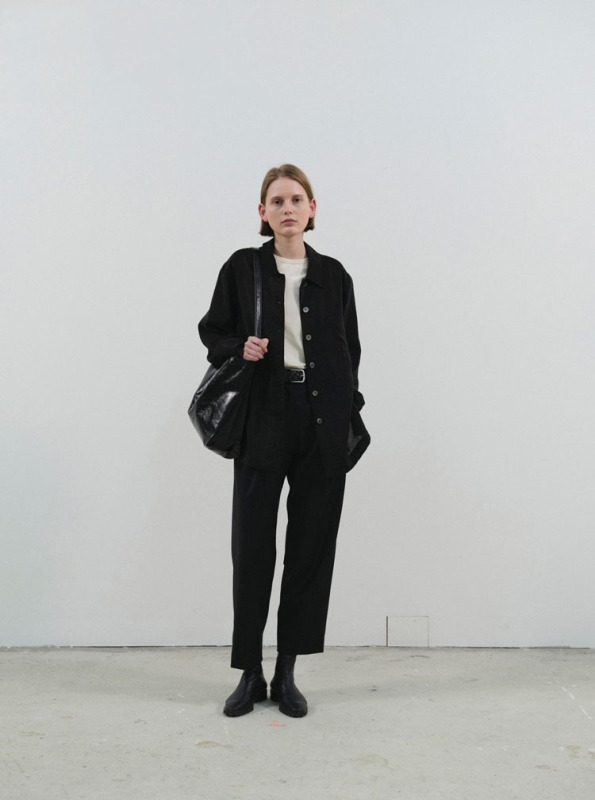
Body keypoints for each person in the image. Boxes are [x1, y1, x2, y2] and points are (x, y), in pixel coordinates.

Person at [198, 164, 370, 718]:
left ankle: (288, 670)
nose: (287, 208)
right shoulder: (242, 268)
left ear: (312, 209)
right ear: (263, 212)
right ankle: (249, 672)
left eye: (297, 199)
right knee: (252, 546)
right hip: (263, 416)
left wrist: (347, 409)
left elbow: (350, 349)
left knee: (310, 550)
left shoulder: (335, 275)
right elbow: (212, 331)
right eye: (277, 200)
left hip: (322, 421)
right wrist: (238, 348)